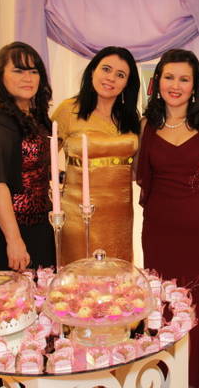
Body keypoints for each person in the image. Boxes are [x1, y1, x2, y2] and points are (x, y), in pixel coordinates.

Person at [137, 49, 199, 388]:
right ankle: (166, 376)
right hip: (160, 231)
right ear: (157, 82)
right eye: (169, 77)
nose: (175, 85)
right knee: (164, 301)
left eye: (184, 79)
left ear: (196, 86)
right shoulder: (147, 124)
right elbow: (143, 178)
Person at [51, 46, 140, 265]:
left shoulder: (130, 117)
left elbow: (137, 167)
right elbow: (44, 158)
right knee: (80, 273)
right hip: (78, 214)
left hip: (120, 215)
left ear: (127, 83)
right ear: (93, 71)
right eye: (106, 69)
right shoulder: (69, 110)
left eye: (120, 75)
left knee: (117, 273)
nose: (111, 78)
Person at [0, 42, 54, 271]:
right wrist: (14, 240)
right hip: (9, 231)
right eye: (18, 71)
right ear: (0, 77)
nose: (27, 78)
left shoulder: (35, 116)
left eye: (33, 71)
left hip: (40, 224)